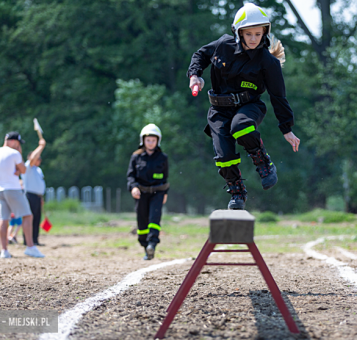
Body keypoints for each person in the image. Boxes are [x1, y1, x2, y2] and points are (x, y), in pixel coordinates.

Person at [187, 3, 300, 210]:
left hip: (249, 107)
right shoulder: (223, 45)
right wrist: (195, 76)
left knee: (241, 126)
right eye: (249, 34)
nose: (254, 39)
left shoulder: (268, 63)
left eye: (258, 34)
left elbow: (278, 97)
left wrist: (287, 128)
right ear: (238, 32)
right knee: (223, 156)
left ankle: (263, 162)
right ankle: (237, 192)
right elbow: (200, 55)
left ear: (265, 32)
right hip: (218, 111)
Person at [0, 131, 44, 258]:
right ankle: (30, 247)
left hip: (0, 190)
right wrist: (18, 153)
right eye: (18, 144)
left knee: (4, 220)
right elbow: (24, 170)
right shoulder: (14, 153)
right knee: (28, 216)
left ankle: (4, 250)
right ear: (14, 142)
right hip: (13, 189)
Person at [126, 124, 169, 260]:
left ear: (158, 141)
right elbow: (130, 176)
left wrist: (165, 193)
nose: (150, 143)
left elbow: (165, 177)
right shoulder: (135, 157)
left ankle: (152, 244)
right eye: (148, 140)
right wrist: (133, 187)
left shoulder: (163, 158)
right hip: (141, 193)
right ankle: (145, 246)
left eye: (153, 140)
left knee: (154, 218)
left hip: (158, 193)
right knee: (142, 220)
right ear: (143, 140)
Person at [21, 137, 47, 246]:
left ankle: (35, 240)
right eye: (38, 157)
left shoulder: (38, 170)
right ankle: (27, 240)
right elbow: (32, 158)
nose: (39, 159)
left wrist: (41, 197)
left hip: (37, 196)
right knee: (29, 219)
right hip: (29, 196)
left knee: (36, 219)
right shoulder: (28, 167)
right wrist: (41, 146)